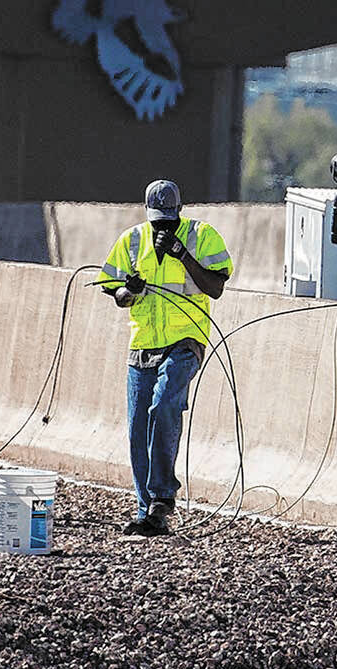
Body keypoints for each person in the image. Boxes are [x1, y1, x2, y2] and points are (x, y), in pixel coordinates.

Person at [101, 180, 234, 536]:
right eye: (158, 222)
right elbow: (117, 294)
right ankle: (148, 513)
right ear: (148, 215)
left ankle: (162, 498)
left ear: (180, 212)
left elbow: (216, 288)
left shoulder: (202, 236)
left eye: (169, 221)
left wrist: (182, 254)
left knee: (162, 406)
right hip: (142, 344)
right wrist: (131, 290)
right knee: (136, 429)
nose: (163, 228)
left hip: (185, 341)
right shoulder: (131, 241)